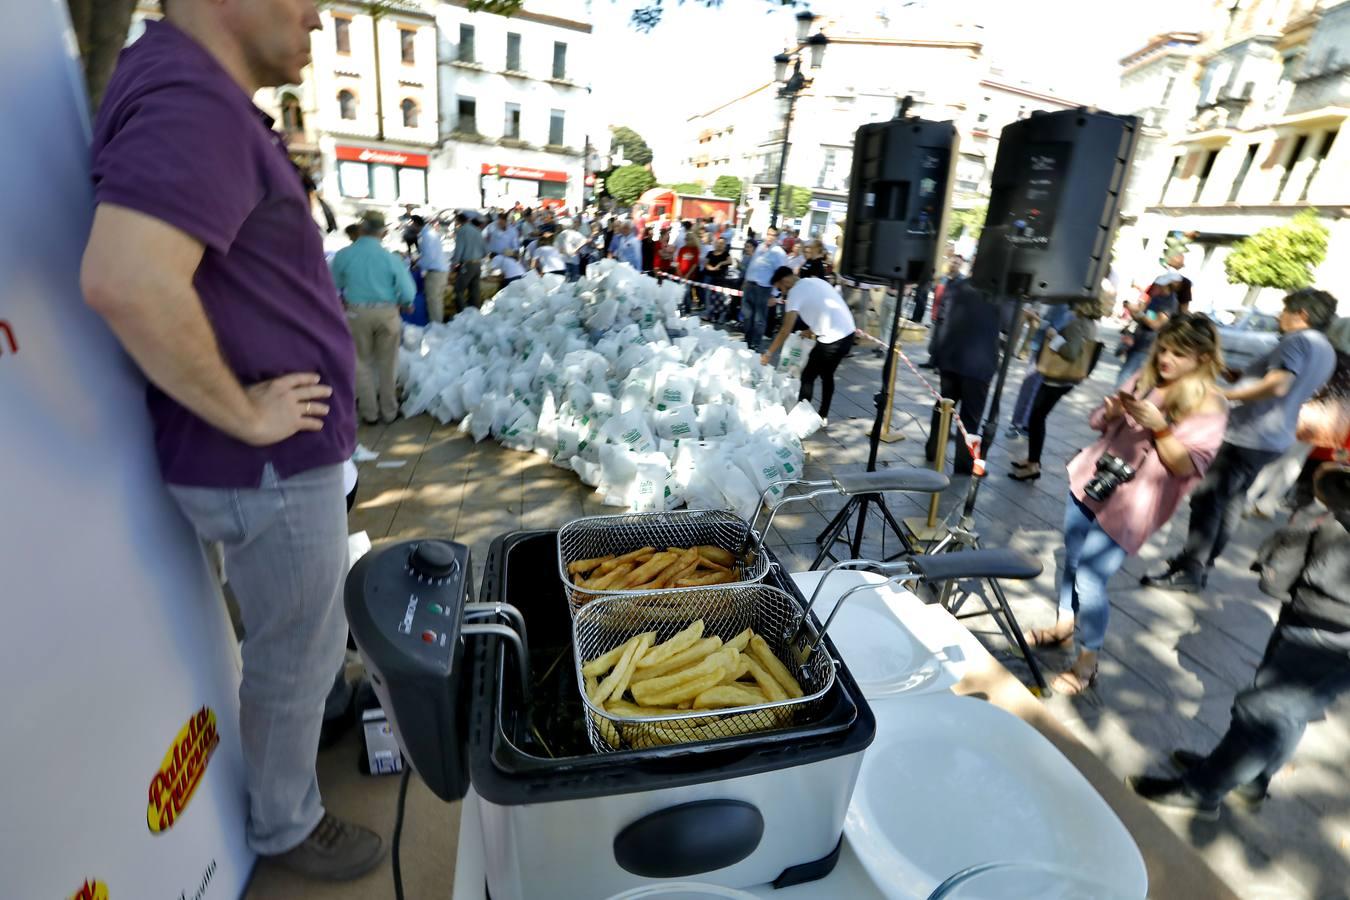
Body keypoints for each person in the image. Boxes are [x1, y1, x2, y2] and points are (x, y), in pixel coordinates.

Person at [82, 2, 383, 880]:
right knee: (296, 652)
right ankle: (287, 823)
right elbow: (127, 278)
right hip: (269, 468)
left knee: (297, 648)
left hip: (266, 464)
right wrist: (248, 415)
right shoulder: (193, 98)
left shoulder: (193, 90)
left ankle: (304, 741)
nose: (320, 17)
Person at [1129, 462, 1350, 819]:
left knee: (1265, 709)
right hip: (1317, 605)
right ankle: (1248, 778)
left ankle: (1202, 790)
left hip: (1334, 628)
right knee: (1287, 711)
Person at [1025, 315, 1229, 694]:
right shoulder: (1148, 378)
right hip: (1092, 480)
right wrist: (1113, 412)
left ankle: (1089, 660)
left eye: (1178, 353)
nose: (1166, 358)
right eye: (1163, 348)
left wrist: (1160, 426)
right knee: (1072, 559)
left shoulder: (1212, 405)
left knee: (1090, 578)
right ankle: (1064, 625)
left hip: (1134, 502)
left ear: (1202, 357)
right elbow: (1096, 421)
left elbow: (1186, 465)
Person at [1143, 289, 1339, 593]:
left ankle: (1192, 569)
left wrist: (1225, 394)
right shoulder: (1325, 348)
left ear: (1302, 315)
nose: (1279, 315)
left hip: (1248, 434)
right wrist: (1242, 377)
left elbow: (1279, 385)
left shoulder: (1298, 340)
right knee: (1230, 502)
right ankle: (1199, 563)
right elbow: (1294, 385)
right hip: (1274, 437)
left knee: (1208, 500)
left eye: (1285, 310)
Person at [331, 211, 414, 424]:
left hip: (356, 312)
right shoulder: (390, 258)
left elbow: (333, 285)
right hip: (387, 312)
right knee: (388, 363)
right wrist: (405, 303)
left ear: (361, 229)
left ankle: (369, 413)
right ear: (384, 233)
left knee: (361, 362)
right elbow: (407, 291)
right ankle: (389, 411)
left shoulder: (343, 255)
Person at [1009, 296, 1104, 481]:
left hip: (1056, 380)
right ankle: (1031, 460)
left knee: (1037, 418)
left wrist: (1054, 337)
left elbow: (1071, 352)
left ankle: (1033, 465)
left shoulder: (1078, 323)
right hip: (1066, 381)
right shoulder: (1090, 324)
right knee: (1038, 417)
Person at [924, 277, 999, 476]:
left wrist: (936, 353)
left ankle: (933, 450)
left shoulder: (957, 284)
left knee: (944, 406)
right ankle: (964, 464)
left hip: (951, 357)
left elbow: (941, 317)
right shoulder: (1001, 291)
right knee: (970, 417)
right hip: (978, 364)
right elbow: (1009, 325)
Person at [761, 266, 856, 423]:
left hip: (832, 339)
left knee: (807, 376)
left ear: (785, 281)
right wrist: (811, 329)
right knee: (827, 375)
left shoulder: (794, 294)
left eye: (780, 289)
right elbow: (824, 307)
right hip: (849, 333)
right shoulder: (814, 281)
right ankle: (823, 416)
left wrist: (768, 353)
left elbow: (785, 330)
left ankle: (800, 419)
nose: (782, 294)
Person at [1008, 303, 1076, 439]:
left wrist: (1034, 317)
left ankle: (1021, 424)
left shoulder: (1062, 306)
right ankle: (1022, 423)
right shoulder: (1063, 305)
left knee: (1030, 388)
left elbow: (1051, 329)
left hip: (1044, 351)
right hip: (1044, 350)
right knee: (1031, 388)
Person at [1116, 275, 1180, 387]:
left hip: (1148, 346)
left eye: (1159, 285)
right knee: (1126, 377)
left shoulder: (1169, 302)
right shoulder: (1156, 299)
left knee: (1125, 380)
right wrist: (1132, 311)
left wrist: (1140, 314)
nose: (1156, 287)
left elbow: (1157, 324)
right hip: (1139, 342)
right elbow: (1145, 317)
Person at [740, 226, 788, 352]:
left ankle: (755, 343)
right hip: (750, 285)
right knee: (747, 315)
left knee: (759, 319)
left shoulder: (779, 253)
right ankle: (747, 340)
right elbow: (753, 264)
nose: (770, 237)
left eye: (773, 235)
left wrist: (775, 294)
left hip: (764, 288)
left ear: (777, 237)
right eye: (768, 234)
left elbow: (781, 274)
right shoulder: (760, 247)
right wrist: (746, 280)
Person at [414, 215, 449, 324]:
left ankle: (436, 328)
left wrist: (417, 264)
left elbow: (429, 257)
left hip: (435, 273)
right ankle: (438, 326)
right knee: (437, 302)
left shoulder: (427, 236)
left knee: (433, 303)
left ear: (415, 224)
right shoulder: (430, 233)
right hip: (441, 271)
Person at [450, 212, 486, 311]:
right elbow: (485, 250)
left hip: (467, 264)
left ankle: (463, 313)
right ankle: (475, 312)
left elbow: (459, 249)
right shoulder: (477, 230)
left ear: (458, 220)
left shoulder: (462, 231)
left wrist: (454, 263)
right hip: (478, 264)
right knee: (474, 290)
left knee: (459, 289)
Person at [702, 237, 733, 323]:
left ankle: (720, 316)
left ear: (724, 245)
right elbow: (706, 263)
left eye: (722, 243)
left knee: (721, 298)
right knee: (708, 297)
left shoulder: (726, 254)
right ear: (715, 243)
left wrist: (720, 263)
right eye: (718, 242)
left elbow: (730, 261)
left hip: (720, 279)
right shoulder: (710, 253)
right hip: (708, 277)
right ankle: (709, 314)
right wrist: (712, 269)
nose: (720, 244)